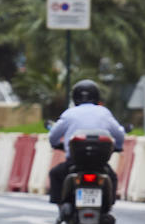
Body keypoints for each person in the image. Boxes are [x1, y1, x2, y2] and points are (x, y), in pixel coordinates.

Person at [47, 79, 126, 207]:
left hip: (74, 163)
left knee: (55, 174)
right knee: (112, 177)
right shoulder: (104, 113)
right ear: (97, 97)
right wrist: (118, 147)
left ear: (75, 97)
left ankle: (62, 207)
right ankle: (108, 206)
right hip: (100, 164)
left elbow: (53, 136)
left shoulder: (69, 114)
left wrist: (55, 144)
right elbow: (119, 134)